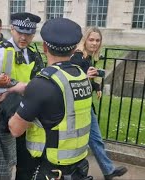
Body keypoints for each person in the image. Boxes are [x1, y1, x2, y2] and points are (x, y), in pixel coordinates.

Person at [8, 18, 92, 180]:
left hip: (48, 168)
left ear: (44, 46)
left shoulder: (42, 83)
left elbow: (16, 129)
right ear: (74, 48)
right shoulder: (81, 76)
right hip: (77, 165)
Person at [0, 12, 43, 180]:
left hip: (25, 117)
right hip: (1, 117)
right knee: (0, 169)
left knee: (25, 167)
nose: (23, 37)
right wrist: (10, 92)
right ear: (11, 29)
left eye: (28, 34)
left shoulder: (33, 54)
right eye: (20, 32)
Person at [70, 27, 128, 180]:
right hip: (77, 107)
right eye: (91, 39)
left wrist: (96, 86)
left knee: (95, 139)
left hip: (86, 105)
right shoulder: (77, 57)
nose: (94, 43)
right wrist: (85, 77)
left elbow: (87, 76)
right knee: (78, 141)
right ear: (85, 40)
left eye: (97, 40)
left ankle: (108, 171)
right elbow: (69, 81)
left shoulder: (88, 57)